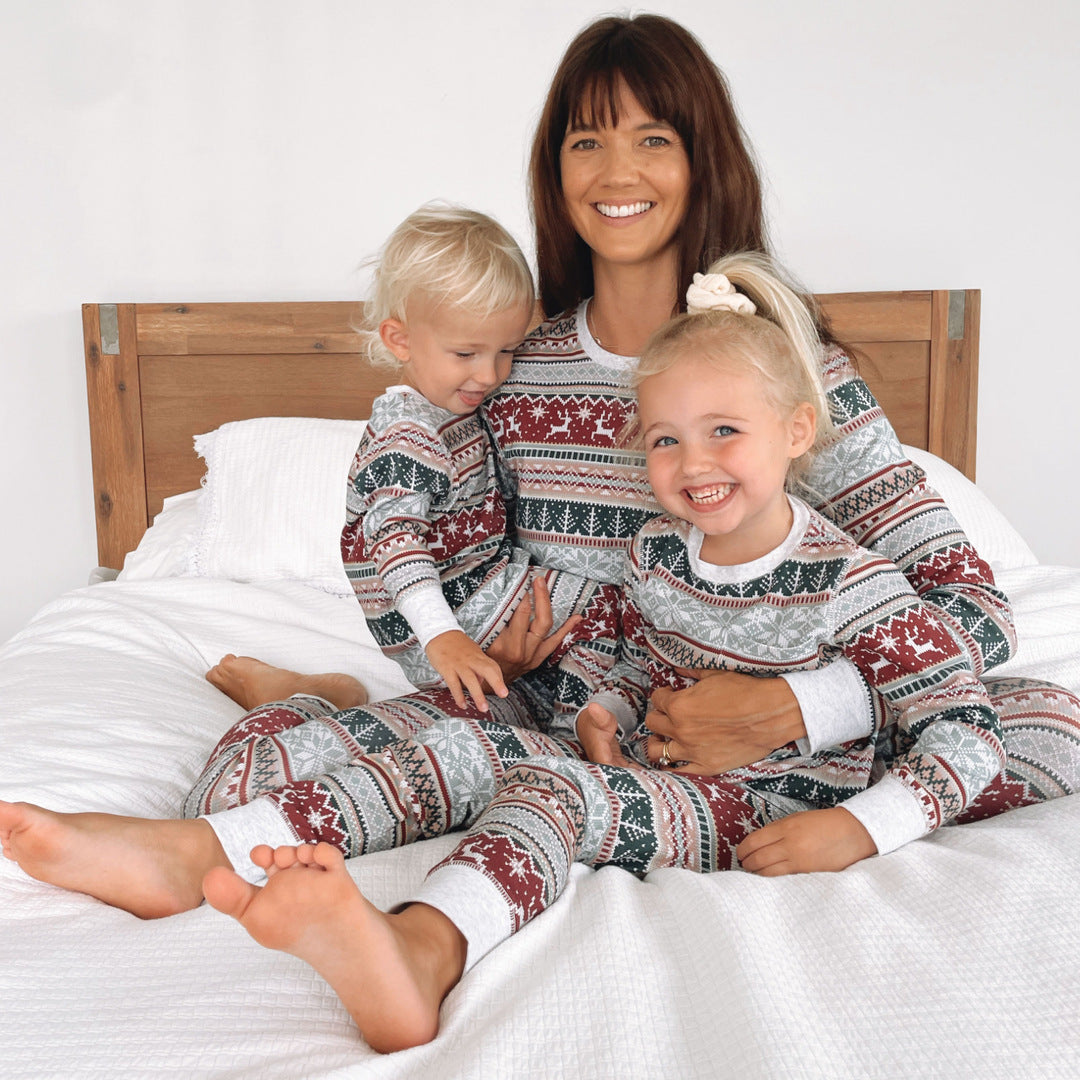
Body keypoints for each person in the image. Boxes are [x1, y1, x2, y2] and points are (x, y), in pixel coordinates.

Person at [1, 8, 1078, 1045]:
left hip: (735, 748)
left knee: (1039, 724)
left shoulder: (788, 373)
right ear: (553, 170)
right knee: (245, 773)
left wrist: (789, 706)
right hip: (550, 713)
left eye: (653, 138)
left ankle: (370, 893)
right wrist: (487, 642)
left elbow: (972, 614)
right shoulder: (503, 369)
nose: (617, 171)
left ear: (702, 159)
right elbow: (433, 562)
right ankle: (265, 772)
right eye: (585, 140)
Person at [193, 252, 1010, 1053]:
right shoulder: (652, 547)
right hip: (647, 765)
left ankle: (422, 949)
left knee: (553, 791)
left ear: (799, 427)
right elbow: (641, 658)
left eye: (725, 431)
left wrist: (858, 826)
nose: (694, 464)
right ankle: (234, 829)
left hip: (779, 807)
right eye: (665, 440)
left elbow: (968, 726)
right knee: (476, 765)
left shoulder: (855, 579)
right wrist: (605, 709)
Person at [337, 204, 618, 724]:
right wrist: (443, 636)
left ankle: (570, 715)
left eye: (506, 350)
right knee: (603, 607)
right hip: (443, 617)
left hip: (478, 589)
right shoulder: (406, 432)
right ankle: (576, 732)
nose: (489, 374)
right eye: (466, 354)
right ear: (400, 340)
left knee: (590, 613)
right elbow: (395, 541)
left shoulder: (457, 412)